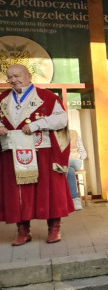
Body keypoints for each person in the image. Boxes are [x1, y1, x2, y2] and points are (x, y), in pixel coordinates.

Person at [0, 63, 72, 245]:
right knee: (17, 194)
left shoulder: (46, 96)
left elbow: (61, 119)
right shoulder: (2, 98)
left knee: (50, 191)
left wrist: (36, 125)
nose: (13, 80)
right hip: (13, 153)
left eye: (17, 75)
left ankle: (54, 230)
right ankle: (23, 232)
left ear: (29, 76)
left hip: (43, 153)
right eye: (10, 77)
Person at [67, 129, 86, 211]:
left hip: (75, 161)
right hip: (66, 164)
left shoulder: (74, 133)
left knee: (63, 167)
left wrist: (78, 156)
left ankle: (61, 197)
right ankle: (75, 199)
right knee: (69, 170)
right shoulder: (55, 134)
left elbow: (83, 152)